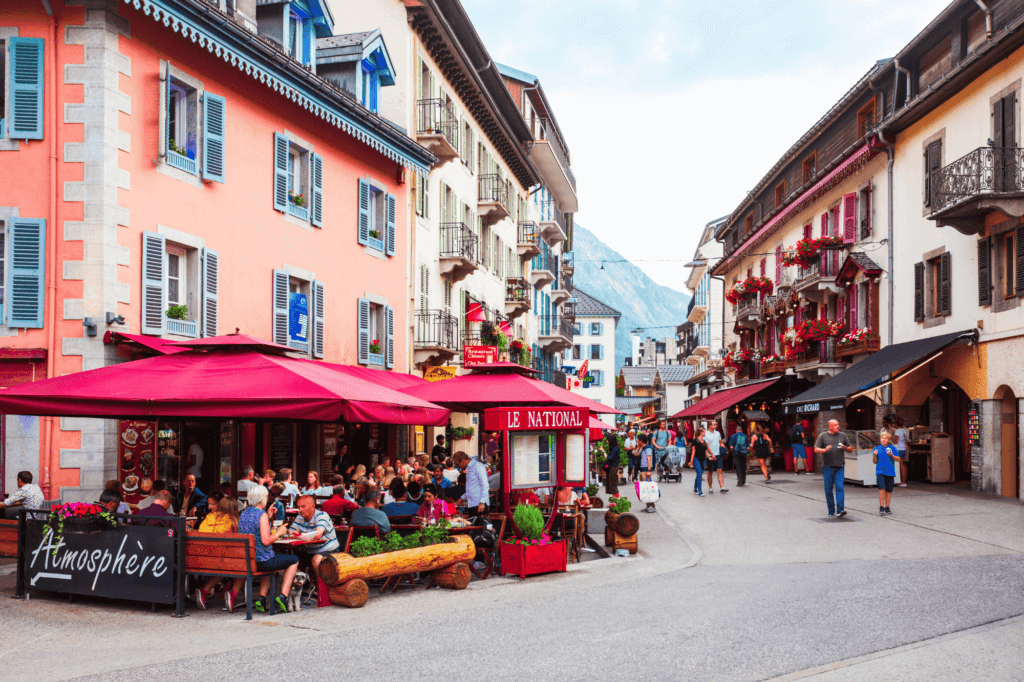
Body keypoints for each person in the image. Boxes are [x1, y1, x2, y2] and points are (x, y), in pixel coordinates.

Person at [238, 485, 298, 614]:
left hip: (249, 561)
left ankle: (261, 599)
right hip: (263, 562)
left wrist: (269, 516)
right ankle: (283, 596)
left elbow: (256, 532)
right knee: (294, 560)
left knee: (271, 561)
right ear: (261, 500)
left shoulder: (244, 513)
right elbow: (266, 540)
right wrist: (279, 532)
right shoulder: (261, 515)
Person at [196, 495, 246, 612]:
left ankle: (204, 591)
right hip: (222, 559)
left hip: (201, 559)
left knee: (224, 563)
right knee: (245, 564)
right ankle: (233, 594)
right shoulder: (234, 522)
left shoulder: (208, 518)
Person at [814, 419, 854, 518]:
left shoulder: (843, 435)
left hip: (840, 466)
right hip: (827, 466)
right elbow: (815, 449)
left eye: (838, 424)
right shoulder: (823, 436)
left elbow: (850, 449)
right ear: (830, 426)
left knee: (840, 487)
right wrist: (824, 449)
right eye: (835, 425)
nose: (838, 426)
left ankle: (840, 510)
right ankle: (831, 510)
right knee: (828, 490)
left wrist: (844, 447)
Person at [290, 494, 339, 573]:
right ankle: (302, 583)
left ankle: (320, 585)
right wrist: (296, 533)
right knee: (290, 560)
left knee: (317, 559)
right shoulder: (300, 516)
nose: (300, 510)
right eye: (298, 507)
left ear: (312, 507)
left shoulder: (322, 516)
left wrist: (299, 535)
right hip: (309, 552)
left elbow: (317, 535)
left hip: (329, 551)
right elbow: (291, 531)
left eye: (303, 506)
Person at [874, 431, 901, 516]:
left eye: (886, 438)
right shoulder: (877, 448)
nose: (884, 440)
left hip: (890, 472)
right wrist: (874, 455)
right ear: (880, 439)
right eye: (882, 438)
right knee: (881, 489)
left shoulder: (892, 448)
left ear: (888, 440)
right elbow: (874, 461)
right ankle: (881, 506)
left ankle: (887, 507)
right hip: (880, 471)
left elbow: (898, 459)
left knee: (889, 490)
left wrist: (892, 455)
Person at [455, 451, 489, 515]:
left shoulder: (477, 466)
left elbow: (485, 484)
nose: (458, 466)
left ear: (462, 461)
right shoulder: (469, 467)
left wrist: (482, 502)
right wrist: (462, 498)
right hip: (473, 504)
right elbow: (471, 487)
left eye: (457, 464)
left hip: (478, 503)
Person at [704, 421, 728, 494]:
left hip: (718, 455)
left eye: (716, 424)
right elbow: (707, 446)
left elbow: (720, 442)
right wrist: (711, 454)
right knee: (710, 472)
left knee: (720, 470)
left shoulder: (718, 433)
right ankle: (710, 488)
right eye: (714, 425)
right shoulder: (706, 434)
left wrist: (725, 449)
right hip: (710, 456)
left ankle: (722, 487)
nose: (716, 425)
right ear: (710, 426)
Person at [688, 428, 708, 497]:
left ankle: (695, 488)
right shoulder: (694, 441)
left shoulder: (704, 441)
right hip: (696, 459)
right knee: (699, 473)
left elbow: (705, 451)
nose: (705, 433)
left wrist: (710, 457)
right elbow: (693, 451)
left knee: (699, 474)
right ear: (701, 433)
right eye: (704, 431)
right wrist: (691, 461)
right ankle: (700, 491)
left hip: (703, 460)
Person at [894, 416, 910, 487]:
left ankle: (902, 482)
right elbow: (907, 439)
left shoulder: (897, 431)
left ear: (896, 424)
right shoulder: (905, 430)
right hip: (904, 448)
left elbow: (895, 441)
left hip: (899, 449)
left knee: (900, 465)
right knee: (903, 464)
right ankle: (905, 479)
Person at [603, 431, 621, 496]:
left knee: (613, 485)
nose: (606, 441)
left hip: (613, 468)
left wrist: (603, 452)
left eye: (608, 440)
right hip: (613, 467)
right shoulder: (614, 448)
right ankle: (614, 501)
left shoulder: (615, 449)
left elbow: (608, 458)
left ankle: (615, 502)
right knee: (612, 484)